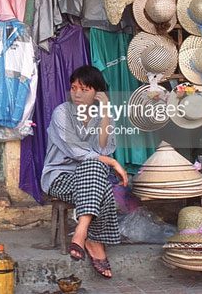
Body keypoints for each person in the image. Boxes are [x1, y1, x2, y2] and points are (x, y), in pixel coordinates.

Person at [40, 65, 128, 279]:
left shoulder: (101, 114)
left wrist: (106, 110)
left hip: (90, 178)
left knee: (95, 166)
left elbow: (105, 149)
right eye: (73, 88)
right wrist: (113, 164)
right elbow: (77, 151)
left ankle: (82, 231)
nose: (77, 93)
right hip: (60, 178)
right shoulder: (62, 112)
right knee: (98, 170)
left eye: (84, 89)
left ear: (97, 92)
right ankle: (92, 240)